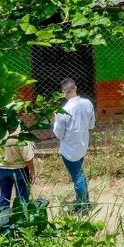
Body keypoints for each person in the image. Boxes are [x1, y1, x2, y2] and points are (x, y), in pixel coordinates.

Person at [52, 77, 96, 214]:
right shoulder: (88, 103)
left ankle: (83, 206)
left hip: (69, 150)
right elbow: (91, 125)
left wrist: (55, 120)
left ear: (63, 92)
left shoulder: (63, 110)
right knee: (79, 173)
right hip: (82, 145)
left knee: (77, 177)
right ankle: (83, 200)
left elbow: (59, 134)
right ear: (75, 88)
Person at [0, 122, 36, 224]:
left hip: (2, 168)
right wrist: (32, 171)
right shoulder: (20, 131)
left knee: (4, 196)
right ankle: (21, 221)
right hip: (19, 169)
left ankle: (3, 222)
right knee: (22, 197)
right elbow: (27, 155)